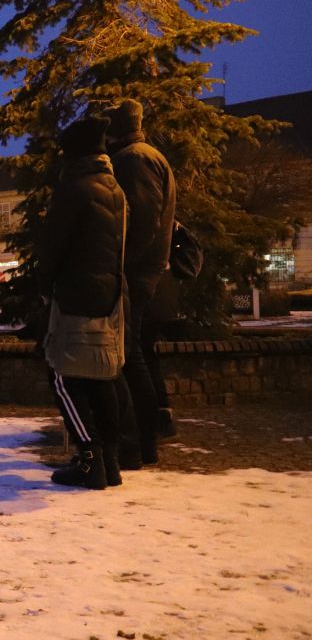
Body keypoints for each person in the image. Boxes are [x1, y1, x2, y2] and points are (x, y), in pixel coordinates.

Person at [36, 115, 128, 490]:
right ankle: (110, 461)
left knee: (62, 376)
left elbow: (53, 246)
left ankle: (90, 460)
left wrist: (43, 286)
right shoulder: (114, 189)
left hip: (76, 291)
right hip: (109, 292)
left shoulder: (75, 189)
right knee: (101, 376)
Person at [104, 98, 177, 463]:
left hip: (138, 272)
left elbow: (141, 222)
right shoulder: (144, 155)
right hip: (146, 269)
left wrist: (121, 264)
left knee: (130, 355)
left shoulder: (133, 159)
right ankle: (143, 440)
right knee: (136, 354)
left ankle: (140, 441)